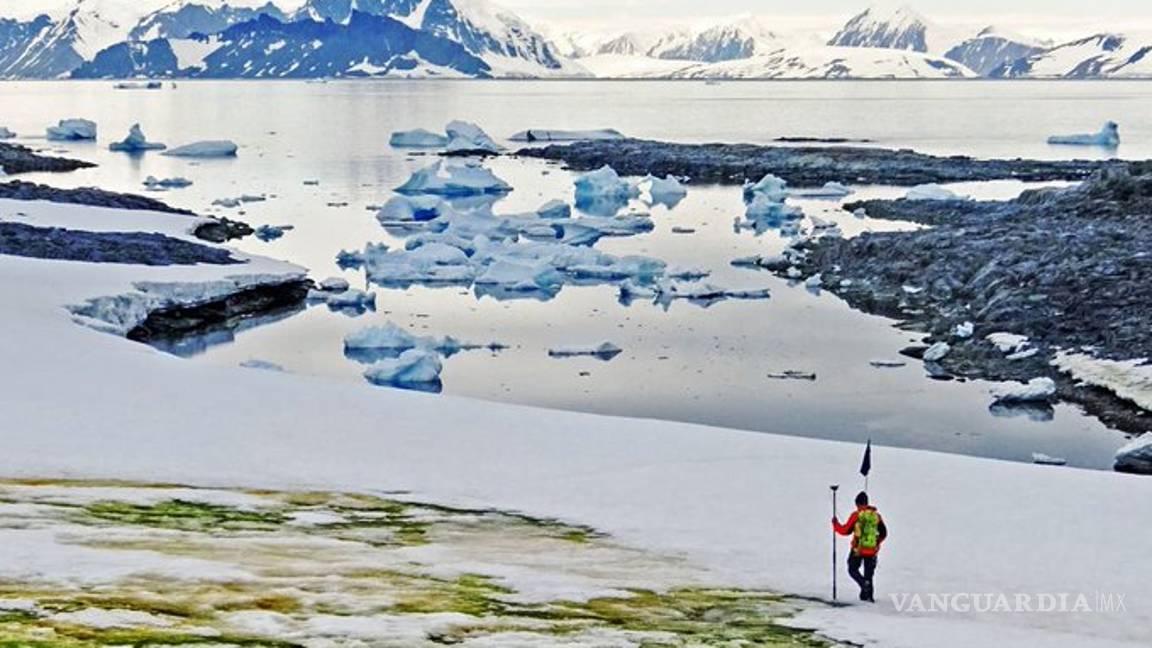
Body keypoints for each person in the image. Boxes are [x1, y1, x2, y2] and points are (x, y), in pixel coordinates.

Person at [832, 491, 888, 602]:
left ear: (857, 503)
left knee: (852, 569)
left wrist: (835, 524)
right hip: (872, 550)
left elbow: (845, 531)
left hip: (858, 549)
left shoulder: (856, 516)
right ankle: (868, 598)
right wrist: (876, 543)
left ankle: (863, 584)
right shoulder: (877, 516)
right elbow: (884, 533)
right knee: (869, 574)